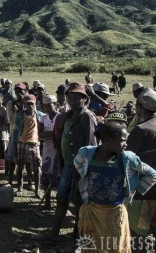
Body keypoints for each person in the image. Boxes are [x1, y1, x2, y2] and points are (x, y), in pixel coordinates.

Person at [75, 115, 156, 252]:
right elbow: (77, 162)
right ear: (107, 140)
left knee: (115, 246)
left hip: (115, 212)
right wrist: (84, 177)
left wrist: (134, 191)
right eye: (123, 141)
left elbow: (153, 174)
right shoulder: (88, 153)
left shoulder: (127, 158)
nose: (126, 144)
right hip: (93, 210)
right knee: (93, 245)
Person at [38, 82, 98, 242]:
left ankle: (77, 234)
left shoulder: (87, 117)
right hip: (67, 166)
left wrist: (82, 169)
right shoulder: (66, 116)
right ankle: (54, 233)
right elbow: (59, 140)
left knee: (79, 202)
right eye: (69, 97)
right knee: (61, 198)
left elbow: (91, 146)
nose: (72, 100)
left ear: (84, 99)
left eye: (76, 98)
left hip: (81, 168)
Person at [125, 88, 156, 243]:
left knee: (138, 239)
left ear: (139, 107)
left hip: (143, 194)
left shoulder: (140, 130)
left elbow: (128, 162)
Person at [12, 94, 43, 199]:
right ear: (24, 104)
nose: (30, 106)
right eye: (27, 104)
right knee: (20, 168)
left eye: (31, 104)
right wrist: (15, 149)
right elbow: (15, 133)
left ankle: (37, 191)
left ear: (35, 103)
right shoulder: (19, 116)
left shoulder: (40, 116)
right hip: (22, 144)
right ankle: (20, 189)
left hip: (34, 145)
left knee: (37, 170)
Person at [38, 95, 59, 210]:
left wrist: (48, 134)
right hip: (47, 150)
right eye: (44, 105)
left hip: (58, 150)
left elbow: (62, 134)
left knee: (59, 175)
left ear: (55, 105)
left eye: (49, 105)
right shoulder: (43, 118)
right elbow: (39, 135)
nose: (46, 108)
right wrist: (55, 133)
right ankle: (47, 202)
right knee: (47, 174)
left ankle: (59, 202)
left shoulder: (60, 117)